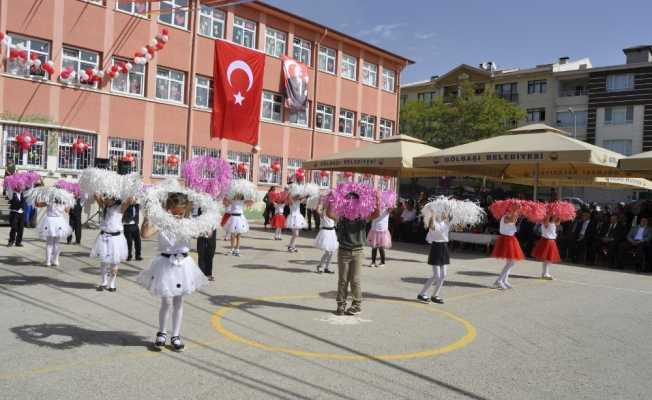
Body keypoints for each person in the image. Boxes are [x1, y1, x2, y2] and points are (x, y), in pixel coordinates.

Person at [138, 192, 209, 352]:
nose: (177, 216)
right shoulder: (161, 222)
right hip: (165, 264)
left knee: (178, 301)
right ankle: (162, 333)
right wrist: (147, 217)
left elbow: (206, 233)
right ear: (168, 209)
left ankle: (176, 335)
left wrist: (208, 219)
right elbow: (145, 234)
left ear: (185, 211)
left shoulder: (188, 223)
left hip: (183, 265)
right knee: (166, 301)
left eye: (180, 213)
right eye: (174, 212)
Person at [330, 192, 380, 316]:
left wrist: (377, 199)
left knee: (355, 280)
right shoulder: (342, 218)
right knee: (343, 280)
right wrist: (331, 200)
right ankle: (341, 305)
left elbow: (376, 214)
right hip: (343, 251)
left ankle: (356, 305)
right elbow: (329, 214)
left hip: (357, 252)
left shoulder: (361, 218)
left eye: (354, 201)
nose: (351, 203)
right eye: (349, 200)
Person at [91, 194, 131, 292]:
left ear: (113, 199)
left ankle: (112, 283)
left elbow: (129, 201)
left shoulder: (120, 207)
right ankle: (103, 282)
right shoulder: (105, 207)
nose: (105, 199)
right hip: (104, 237)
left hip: (116, 239)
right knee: (104, 262)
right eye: (105, 197)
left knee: (114, 262)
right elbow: (96, 196)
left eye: (107, 198)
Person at [417, 211, 450, 304]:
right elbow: (431, 224)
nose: (443, 214)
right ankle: (421, 294)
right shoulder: (433, 223)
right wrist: (433, 213)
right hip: (436, 248)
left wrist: (446, 211)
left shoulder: (446, 222)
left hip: (444, 247)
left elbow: (448, 216)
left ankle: (435, 295)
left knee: (443, 275)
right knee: (437, 275)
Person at [491, 209, 524, 290]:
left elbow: (514, 220)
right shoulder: (505, 217)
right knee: (511, 262)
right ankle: (499, 281)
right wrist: (516, 212)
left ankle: (504, 280)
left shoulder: (509, 217)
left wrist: (517, 213)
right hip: (506, 240)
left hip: (510, 239)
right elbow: (512, 220)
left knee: (510, 262)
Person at [35, 197, 72, 267]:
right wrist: (69, 203)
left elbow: (38, 205)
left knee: (49, 243)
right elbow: (67, 211)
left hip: (50, 221)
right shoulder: (64, 200)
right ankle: (56, 260)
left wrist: (36, 197)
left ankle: (48, 261)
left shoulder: (50, 200)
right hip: (59, 221)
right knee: (57, 243)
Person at [531, 216, 561, 280]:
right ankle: (545, 274)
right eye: (554, 216)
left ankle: (545, 273)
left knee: (548, 259)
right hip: (547, 241)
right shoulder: (546, 223)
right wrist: (550, 213)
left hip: (551, 241)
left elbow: (558, 221)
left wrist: (559, 213)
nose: (555, 216)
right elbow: (547, 220)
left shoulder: (553, 223)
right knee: (547, 259)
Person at [313, 203, 337, 274]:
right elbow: (318, 210)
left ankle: (327, 267)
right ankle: (320, 266)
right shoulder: (323, 213)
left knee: (331, 251)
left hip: (332, 232)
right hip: (326, 232)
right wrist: (322, 203)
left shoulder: (333, 214)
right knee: (328, 252)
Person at [367, 202, 392, 268]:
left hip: (382, 229)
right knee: (374, 247)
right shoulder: (374, 206)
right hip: (374, 228)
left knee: (381, 247)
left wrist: (391, 200)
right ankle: (373, 262)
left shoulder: (387, 207)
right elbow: (370, 215)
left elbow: (391, 208)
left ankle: (382, 261)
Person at [196, 207, 217, 281]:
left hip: (212, 225)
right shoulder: (201, 203)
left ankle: (208, 273)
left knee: (211, 249)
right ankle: (201, 274)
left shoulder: (214, 203)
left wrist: (211, 228)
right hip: (202, 225)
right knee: (201, 251)